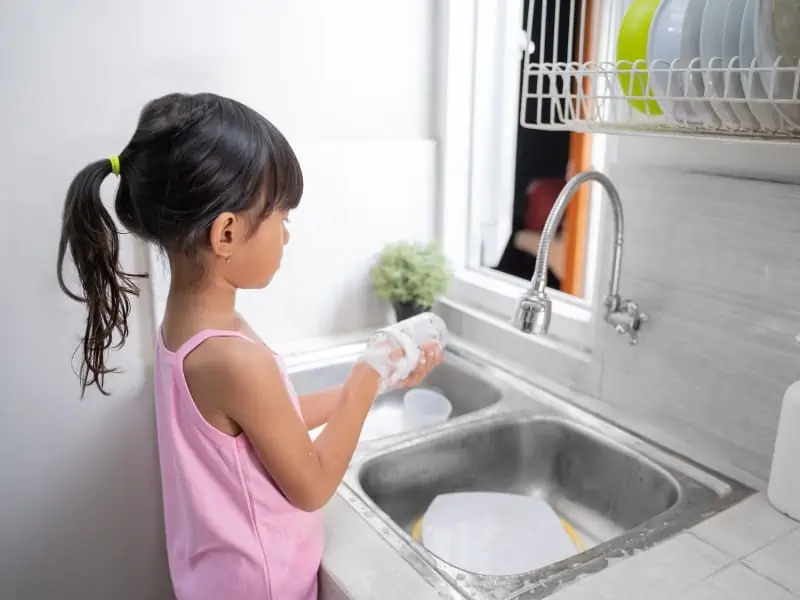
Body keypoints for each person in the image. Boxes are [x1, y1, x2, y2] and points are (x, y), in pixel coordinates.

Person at [56, 92, 443, 600]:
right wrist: (366, 376)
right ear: (228, 233)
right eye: (281, 217)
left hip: (216, 579)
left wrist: (375, 382)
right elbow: (312, 484)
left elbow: (270, 420)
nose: (287, 235)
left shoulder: (190, 329)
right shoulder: (233, 357)